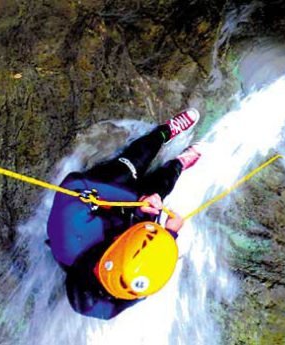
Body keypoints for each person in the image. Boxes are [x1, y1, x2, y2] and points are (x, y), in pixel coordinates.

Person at [46, 108, 203, 320]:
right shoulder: (129, 292)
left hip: (93, 207)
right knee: (155, 196)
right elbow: (152, 260)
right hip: (112, 232)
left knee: (127, 170)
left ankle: (166, 140)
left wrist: (135, 201)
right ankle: (174, 160)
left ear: (119, 241)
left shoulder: (72, 232)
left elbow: (74, 184)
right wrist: (169, 233)